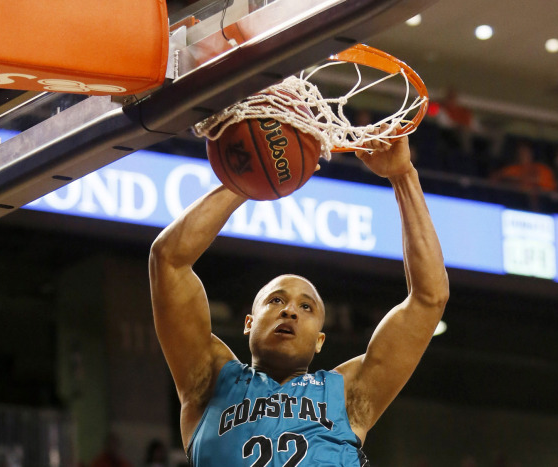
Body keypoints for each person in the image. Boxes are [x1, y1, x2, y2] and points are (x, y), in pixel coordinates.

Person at [149, 128, 449, 465]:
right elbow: (168, 260)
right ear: (249, 323)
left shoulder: (348, 395)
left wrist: (403, 176)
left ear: (320, 341)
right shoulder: (208, 381)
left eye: (306, 307)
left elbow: (430, 298)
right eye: (276, 301)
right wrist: (248, 180)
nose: (290, 311)